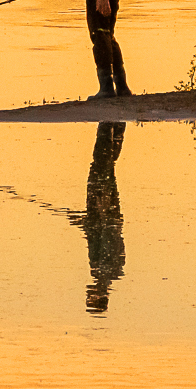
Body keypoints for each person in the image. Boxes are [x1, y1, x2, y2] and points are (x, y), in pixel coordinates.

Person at [79, 122, 127, 315]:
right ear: (100, 295)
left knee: (102, 165)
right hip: (104, 211)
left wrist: (87, 223)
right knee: (102, 165)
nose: (89, 291)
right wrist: (103, 211)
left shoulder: (102, 271)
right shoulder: (109, 270)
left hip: (101, 212)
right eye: (92, 296)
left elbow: (97, 239)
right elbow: (110, 237)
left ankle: (112, 125)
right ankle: (111, 125)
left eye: (89, 295)